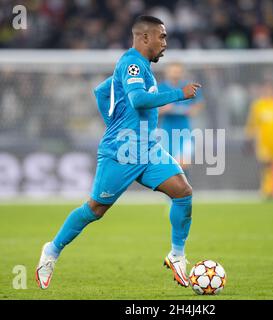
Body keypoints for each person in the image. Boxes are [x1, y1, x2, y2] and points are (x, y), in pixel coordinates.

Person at [35, 15, 201, 289]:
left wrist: (113, 121)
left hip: (147, 150)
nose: (165, 43)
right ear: (144, 37)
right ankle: (51, 251)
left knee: (182, 191)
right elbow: (138, 100)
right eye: (162, 37)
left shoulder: (139, 66)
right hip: (120, 153)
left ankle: (177, 255)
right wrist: (178, 94)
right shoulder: (132, 63)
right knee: (95, 209)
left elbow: (101, 91)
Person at [158, 63, 204, 174]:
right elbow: (153, 110)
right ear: (167, 73)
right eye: (173, 71)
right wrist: (164, 109)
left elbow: (199, 104)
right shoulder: (160, 88)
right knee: (167, 167)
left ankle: (184, 190)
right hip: (166, 133)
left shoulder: (189, 87)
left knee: (183, 165)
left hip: (185, 132)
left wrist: (192, 110)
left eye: (178, 72)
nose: (175, 74)